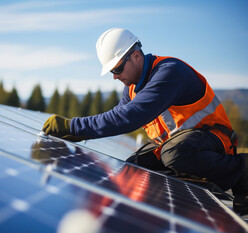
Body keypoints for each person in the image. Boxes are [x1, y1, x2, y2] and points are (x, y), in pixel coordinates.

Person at [42, 28, 248, 215]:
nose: (115, 77)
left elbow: (129, 117)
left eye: (117, 69)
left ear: (136, 56)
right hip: (179, 144)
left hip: (214, 140)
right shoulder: (131, 87)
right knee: (134, 169)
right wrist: (78, 133)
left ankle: (242, 171)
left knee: (175, 155)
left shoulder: (169, 72)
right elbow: (118, 114)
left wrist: (73, 127)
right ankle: (196, 199)